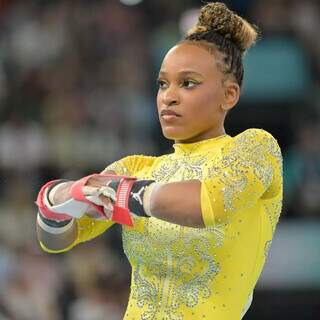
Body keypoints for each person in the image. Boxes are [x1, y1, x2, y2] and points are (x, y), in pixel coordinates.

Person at [36, 3, 283, 319]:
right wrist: (54, 200)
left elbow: (207, 203)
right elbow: (57, 240)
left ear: (229, 95)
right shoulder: (137, 168)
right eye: (163, 84)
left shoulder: (255, 148)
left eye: (188, 83)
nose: (169, 96)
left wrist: (119, 192)